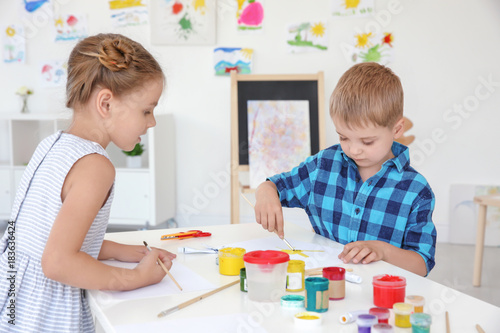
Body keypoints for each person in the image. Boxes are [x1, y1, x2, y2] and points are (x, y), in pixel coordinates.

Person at [0, 33, 176, 332]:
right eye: (147, 110)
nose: (152, 122)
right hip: (46, 316)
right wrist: (136, 278)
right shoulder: (95, 166)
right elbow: (57, 262)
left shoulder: (52, 145)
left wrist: (117, 249)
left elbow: (44, 236)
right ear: (105, 103)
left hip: (16, 301)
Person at [254, 62, 436, 277]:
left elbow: (422, 264)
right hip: (325, 287)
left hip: (379, 295)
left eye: (367, 141)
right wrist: (265, 191)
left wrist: (383, 251)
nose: (354, 149)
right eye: (343, 137)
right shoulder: (323, 165)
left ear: (397, 129)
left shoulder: (416, 190)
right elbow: (277, 186)